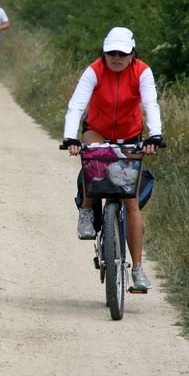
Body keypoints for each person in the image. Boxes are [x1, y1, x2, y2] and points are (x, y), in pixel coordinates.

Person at [62, 26, 164, 291]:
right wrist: (70, 137)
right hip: (98, 131)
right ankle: (86, 210)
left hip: (130, 136)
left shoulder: (142, 71)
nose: (116, 58)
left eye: (122, 53)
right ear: (104, 53)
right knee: (94, 160)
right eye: (111, 53)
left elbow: (150, 103)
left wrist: (155, 135)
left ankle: (138, 270)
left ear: (132, 54)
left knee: (131, 202)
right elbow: (76, 105)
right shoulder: (94, 70)